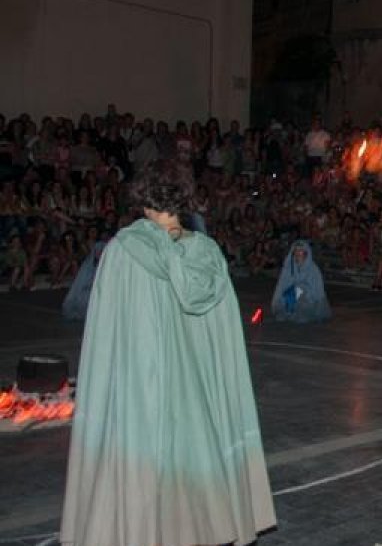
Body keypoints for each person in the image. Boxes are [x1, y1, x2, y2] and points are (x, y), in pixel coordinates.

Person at [60, 160, 275, 546]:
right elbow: (219, 333)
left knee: (144, 453)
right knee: (193, 451)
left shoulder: (124, 250)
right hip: (195, 392)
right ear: (184, 200)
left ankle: (137, 528)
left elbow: (108, 334)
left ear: (143, 200)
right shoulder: (206, 253)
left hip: (139, 389)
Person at [271, 239, 332, 323]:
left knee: (300, 288)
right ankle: (287, 311)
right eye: (296, 251)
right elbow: (281, 285)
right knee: (285, 298)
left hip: (309, 300)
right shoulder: (288, 268)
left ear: (306, 253)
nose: (298, 253)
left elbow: (318, 290)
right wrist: (276, 303)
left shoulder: (313, 269)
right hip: (290, 297)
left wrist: (302, 290)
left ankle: (303, 313)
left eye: (301, 251)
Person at [61, 240, 105, 322]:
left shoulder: (107, 265)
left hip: (102, 291)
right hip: (87, 290)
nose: (99, 253)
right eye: (97, 251)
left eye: (101, 251)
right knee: (82, 297)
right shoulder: (88, 264)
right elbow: (80, 282)